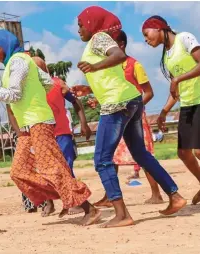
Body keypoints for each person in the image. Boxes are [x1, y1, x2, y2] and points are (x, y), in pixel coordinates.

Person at [0, 29, 100, 226]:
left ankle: (89, 207)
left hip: (38, 121)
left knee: (51, 168)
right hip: (27, 126)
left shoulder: (20, 60)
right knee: (18, 172)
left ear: (3, 45)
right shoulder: (16, 63)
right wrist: (32, 95)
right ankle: (68, 196)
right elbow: (46, 83)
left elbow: (13, 96)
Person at [72, 6, 186, 228]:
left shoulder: (98, 38)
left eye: (80, 24)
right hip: (130, 99)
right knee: (141, 154)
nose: (78, 30)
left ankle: (122, 214)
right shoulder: (96, 42)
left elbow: (119, 56)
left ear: (92, 22)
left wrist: (94, 66)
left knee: (102, 160)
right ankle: (175, 196)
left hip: (117, 104)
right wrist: (89, 89)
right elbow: (111, 73)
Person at [82, 30, 163, 207]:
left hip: (133, 114)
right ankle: (109, 196)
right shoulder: (112, 66)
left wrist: (136, 108)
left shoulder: (135, 65)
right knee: (111, 156)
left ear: (121, 45)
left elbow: (148, 92)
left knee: (142, 155)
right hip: (118, 111)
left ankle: (156, 193)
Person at [11, 56, 91, 216]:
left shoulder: (57, 84)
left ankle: (75, 202)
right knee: (44, 171)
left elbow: (76, 102)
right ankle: (50, 202)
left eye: (39, 69)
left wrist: (83, 123)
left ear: (45, 70)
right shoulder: (28, 89)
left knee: (65, 169)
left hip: (62, 134)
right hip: (41, 135)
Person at [142, 15, 200, 205]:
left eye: (146, 33)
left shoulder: (185, 38)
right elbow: (175, 91)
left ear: (158, 28)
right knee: (184, 153)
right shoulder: (166, 56)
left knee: (198, 151)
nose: (145, 39)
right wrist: (164, 112)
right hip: (187, 104)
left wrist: (177, 79)